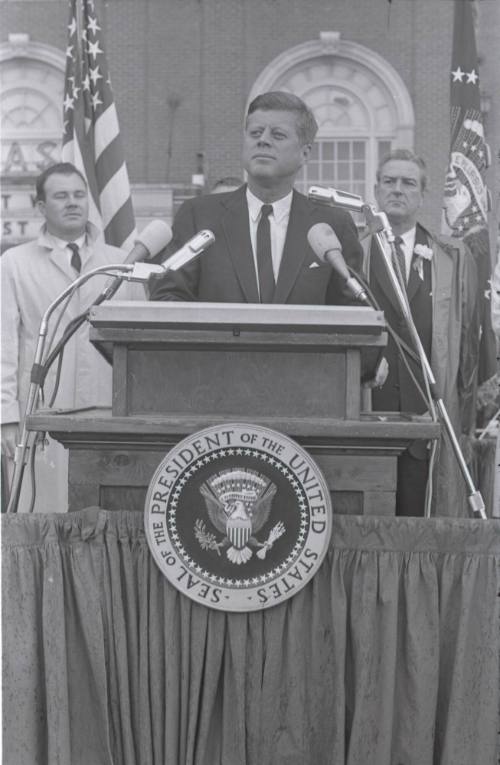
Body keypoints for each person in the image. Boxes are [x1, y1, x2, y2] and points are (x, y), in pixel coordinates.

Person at [1, 162, 142, 513]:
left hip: (108, 413)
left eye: (79, 195)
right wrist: (7, 416)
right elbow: (3, 344)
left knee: (104, 515)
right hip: (41, 413)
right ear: (41, 207)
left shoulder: (121, 263)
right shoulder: (14, 264)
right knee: (41, 515)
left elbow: (139, 344)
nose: (72, 202)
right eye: (61, 196)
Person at [150, 91, 363, 304]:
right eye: (255, 133)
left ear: (304, 154)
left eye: (277, 135)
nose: (263, 140)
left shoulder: (332, 226)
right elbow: (168, 298)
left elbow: (355, 312)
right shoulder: (199, 216)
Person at [363, 149, 478, 517]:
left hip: (425, 414)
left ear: (423, 194)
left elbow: (470, 349)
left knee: (418, 520)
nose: (397, 190)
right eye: (389, 181)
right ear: (377, 189)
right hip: (366, 416)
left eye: (408, 182)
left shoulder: (450, 257)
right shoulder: (354, 251)